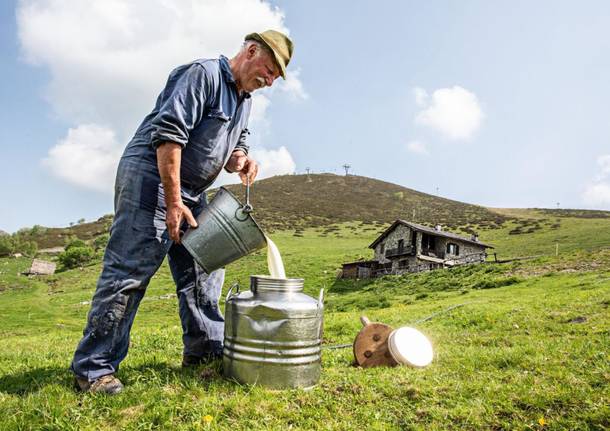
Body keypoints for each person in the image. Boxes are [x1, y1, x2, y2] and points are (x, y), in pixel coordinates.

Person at [71, 30, 294, 394]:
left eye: (274, 78)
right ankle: (93, 370)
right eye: (268, 70)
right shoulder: (202, 75)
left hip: (191, 190)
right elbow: (170, 136)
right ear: (251, 51)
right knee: (129, 272)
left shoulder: (244, 98)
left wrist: (241, 159)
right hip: (152, 178)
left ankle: (204, 350)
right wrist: (173, 201)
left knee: (203, 269)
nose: (269, 81)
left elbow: (236, 143)